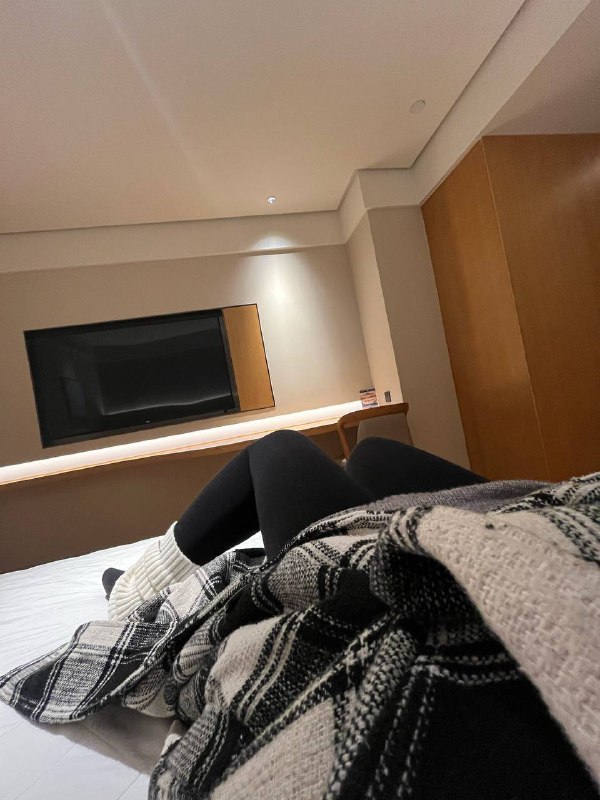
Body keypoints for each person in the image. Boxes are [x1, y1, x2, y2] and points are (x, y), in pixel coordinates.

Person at [104, 429, 486, 619]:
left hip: (418, 599)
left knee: (278, 449)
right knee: (370, 455)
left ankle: (137, 592)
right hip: (502, 525)